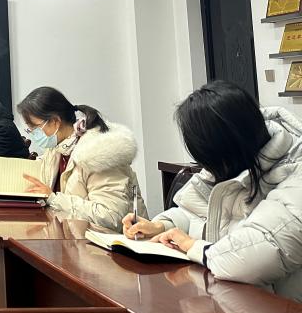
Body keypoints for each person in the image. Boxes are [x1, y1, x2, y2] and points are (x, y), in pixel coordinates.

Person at [124, 81, 302, 300]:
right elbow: (195, 212)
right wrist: (162, 226)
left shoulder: (295, 174)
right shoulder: (228, 163)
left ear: (223, 146)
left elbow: (259, 252)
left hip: (283, 312)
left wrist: (194, 246)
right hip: (237, 302)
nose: (206, 166)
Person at [0, 86, 145, 232]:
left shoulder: (99, 153)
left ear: (54, 122)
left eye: (34, 128)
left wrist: (52, 198)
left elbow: (112, 217)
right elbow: (33, 173)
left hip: (117, 248)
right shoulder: (57, 148)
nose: (33, 134)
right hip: (77, 241)